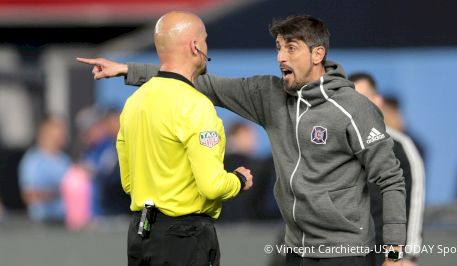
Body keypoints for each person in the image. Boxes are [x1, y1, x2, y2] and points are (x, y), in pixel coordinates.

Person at [78, 15, 406, 266]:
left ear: (318, 53)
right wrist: (126, 69)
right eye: (278, 47)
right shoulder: (269, 95)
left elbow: (390, 179)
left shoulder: (353, 109)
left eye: (291, 48)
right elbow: (194, 81)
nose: (281, 57)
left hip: (344, 251)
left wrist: (394, 253)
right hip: (293, 248)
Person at [86, 12, 254, 266]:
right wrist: (239, 180)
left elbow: (129, 182)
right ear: (195, 46)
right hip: (185, 237)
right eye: (205, 40)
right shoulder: (196, 105)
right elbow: (212, 185)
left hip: (141, 233)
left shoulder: (134, 103)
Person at [349, 73, 425, 266]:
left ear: (377, 100)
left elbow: (413, 203)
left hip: (387, 255)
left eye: (363, 98)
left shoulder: (400, 146)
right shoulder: (336, 145)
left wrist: (406, 256)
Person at [18, 116, 71, 223]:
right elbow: (28, 195)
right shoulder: (32, 160)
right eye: (58, 131)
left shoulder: (65, 160)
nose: (62, 136)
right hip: (44, 222)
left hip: (66, 221)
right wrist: (60, 192)